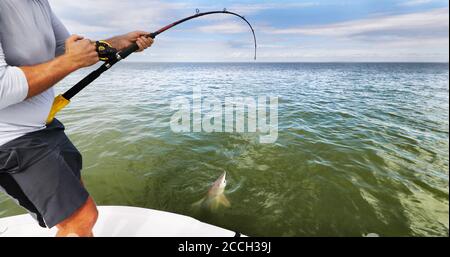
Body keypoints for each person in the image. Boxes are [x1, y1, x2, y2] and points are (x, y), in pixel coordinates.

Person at [0, 0, 153, 237]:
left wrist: (120, 42)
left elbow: (65, 48)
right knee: (81, 219)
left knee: (77, 213)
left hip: (44, 126)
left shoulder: (39, 2)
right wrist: (71, 61)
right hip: (11, 139)